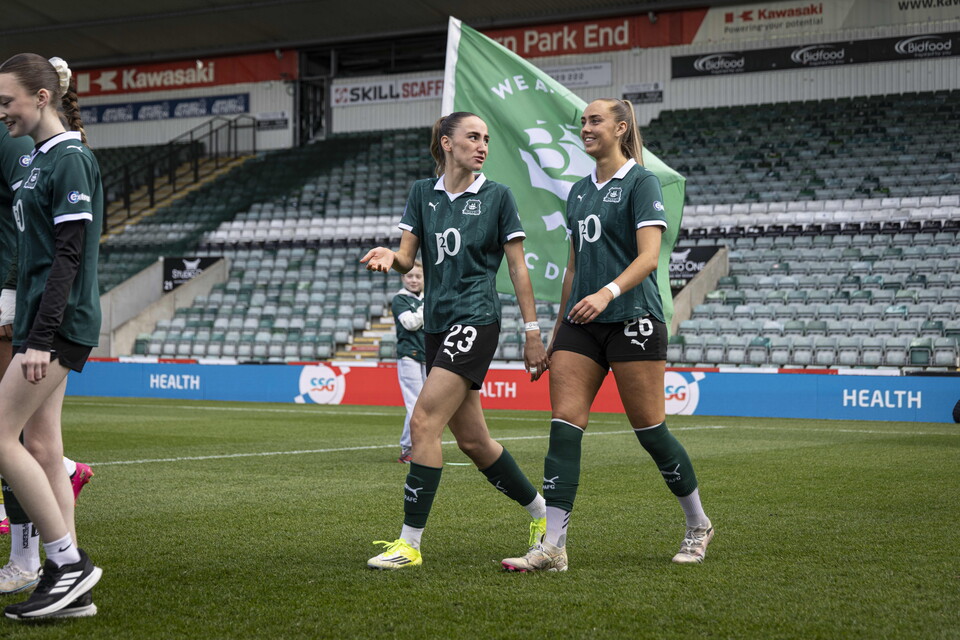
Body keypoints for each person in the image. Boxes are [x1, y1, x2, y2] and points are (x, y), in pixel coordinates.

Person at [502, 99, 714, 573]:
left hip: (634, 318)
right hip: (581, 325)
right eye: (583, 122)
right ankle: (553, 546)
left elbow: (649, 257)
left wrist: (607, 293)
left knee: (651, 431)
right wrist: (552, 335)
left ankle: (698, 524)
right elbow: (573, 268)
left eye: (595, 120)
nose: (585, 128)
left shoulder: (642, 182)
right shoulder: (578, 191)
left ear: (621, 128)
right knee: (564, 426)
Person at [361, 111, 550, 570]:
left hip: (477, 319)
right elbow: (409, 259)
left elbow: (518, 268)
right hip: (436, 324)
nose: (483, 145)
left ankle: (409, 544)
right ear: (446, 143)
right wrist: (393, 255)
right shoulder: (421, 194)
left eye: (486, 139)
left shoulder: (498, 196)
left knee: (424, 422)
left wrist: (532, 332)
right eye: (472, 137)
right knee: (474, 441)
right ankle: (547, 517)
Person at [0, 53, 103, 619]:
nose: (1, 113)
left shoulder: (69, 159)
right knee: (42, 448)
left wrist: (38, 337)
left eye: (6, 101)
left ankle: (66, 564)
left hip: (56, 326)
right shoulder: (39, 160)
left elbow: (70, 256)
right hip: (42, 321)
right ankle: (73, 593)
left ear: (41, 97)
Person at [391, 261, 426, 464]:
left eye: (418, 276)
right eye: (410, 276)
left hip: (427, 355)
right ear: (403, 278)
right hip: (409, 356)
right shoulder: (400, 299)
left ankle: (417, 446)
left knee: (426, 405)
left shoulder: (425, 298)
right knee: (415, 405)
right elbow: (410, 324)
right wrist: (426, 307)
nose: (413, 280)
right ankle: (408, 449)